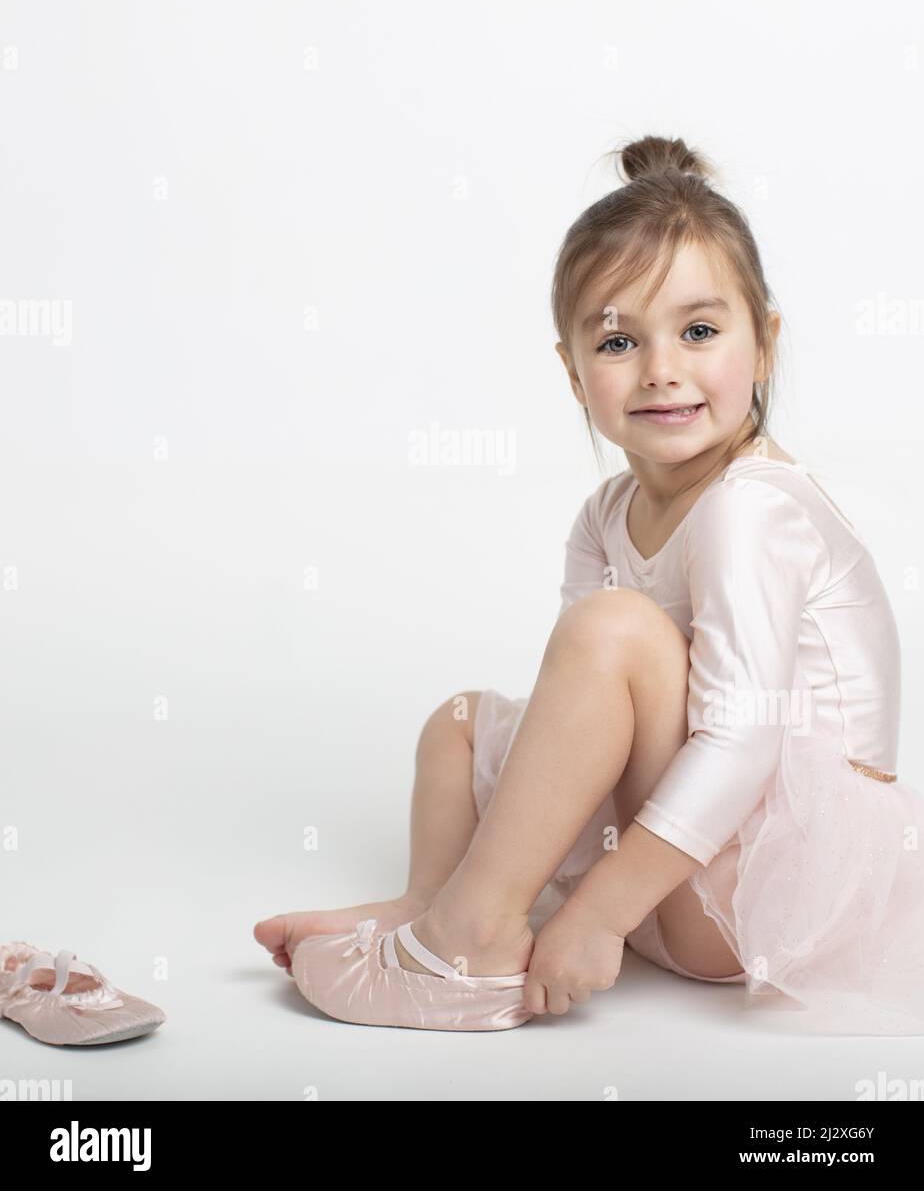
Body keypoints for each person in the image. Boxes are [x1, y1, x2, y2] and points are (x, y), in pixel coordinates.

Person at [254, 134, 924, 1035]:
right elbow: (578, 722)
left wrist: (599, 910)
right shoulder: (604, 513)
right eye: (618, 340)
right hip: (680, 857)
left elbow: (743, 743)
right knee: (459, 725)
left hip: (756, 899)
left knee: (617, 629)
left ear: (763, 344)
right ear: (573, 373)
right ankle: (440, 908)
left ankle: (471, 949)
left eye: (699, 331)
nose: (661, 369)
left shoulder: (751, 510)